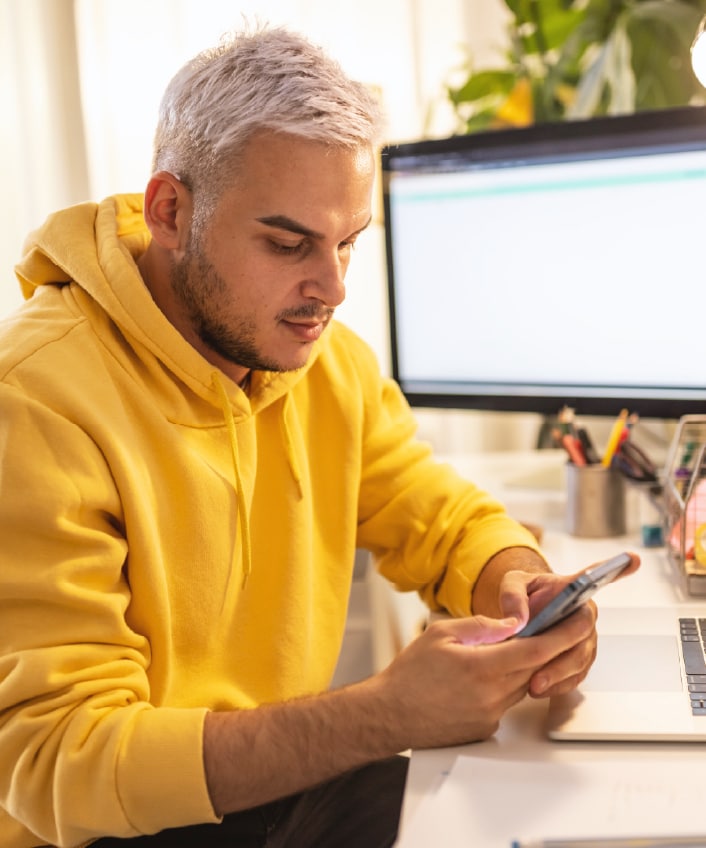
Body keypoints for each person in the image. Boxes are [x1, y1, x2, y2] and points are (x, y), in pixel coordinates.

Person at [0, 24, 638, 848]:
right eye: (288, 242)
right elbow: (58, 763)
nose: (331, 289)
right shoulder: (37, 398)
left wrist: (520, 582)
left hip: (266, 797)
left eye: (347, 243)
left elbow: (436, 515)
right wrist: (385, 715)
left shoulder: (318, 359)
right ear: (170, 211)